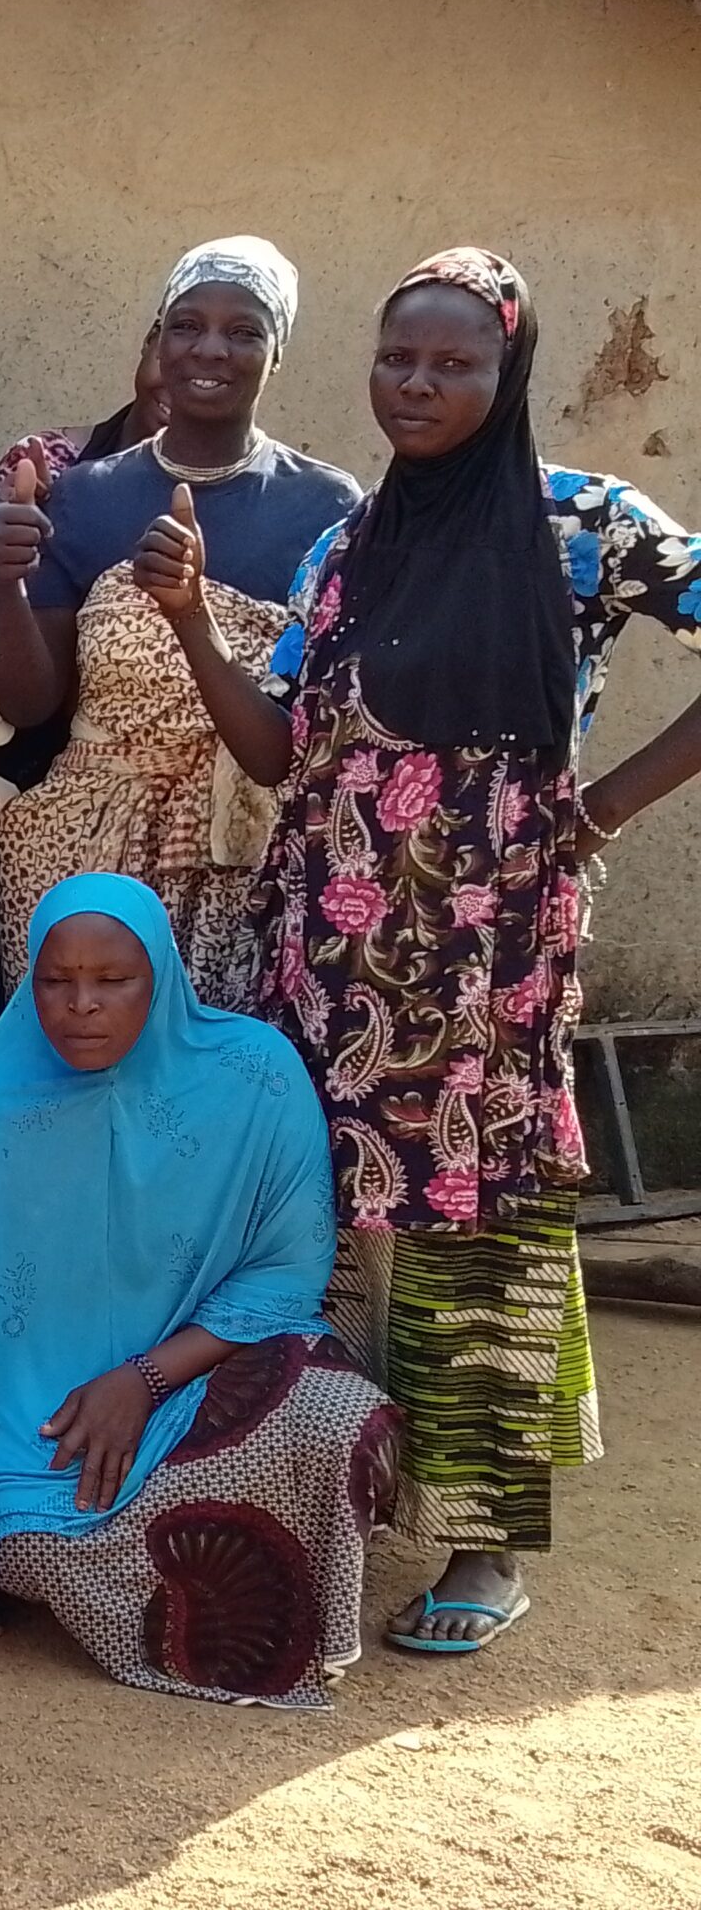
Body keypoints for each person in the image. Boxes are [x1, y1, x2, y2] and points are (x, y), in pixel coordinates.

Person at [160, 248, 701, 1653]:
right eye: (400, 359)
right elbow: (280, 754)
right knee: (321, 1232)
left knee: (478, 1230)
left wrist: (603, 808)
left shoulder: (584, 524)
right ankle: (323, 1505)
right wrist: (187, 625)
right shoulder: (349, 547)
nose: (418, 385)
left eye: (453, 363)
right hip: (321, 960)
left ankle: (484, 1553)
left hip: (484, 963)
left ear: (505, 370)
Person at [0, 876, 401, 1706]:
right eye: (55, 981)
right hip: (46, 1428)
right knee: (25, 1547)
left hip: (205, 1372)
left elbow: (288, 1270)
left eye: (113, 981)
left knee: (341, 1422)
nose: (81, 1005)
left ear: (162, 978)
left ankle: (264, 1597)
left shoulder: (254, 1075)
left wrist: (144, 1380)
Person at [0, 236, 358, 1009]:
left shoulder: (328, 509)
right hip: (80, 860)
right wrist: (2, 582)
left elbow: (315, 729)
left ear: (276, 353)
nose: (209, 349)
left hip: (243, 864)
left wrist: (192, 614)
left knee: (217, 1092)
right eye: (186, 325)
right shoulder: (88, 496)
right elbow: (27, 705)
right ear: (157, 339)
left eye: (244, 331)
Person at [0, 326, 168, 495]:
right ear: (150, 339)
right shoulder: (45, 462)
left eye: (197, 383)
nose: (178, 390)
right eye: (169, 362)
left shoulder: (191, 506)